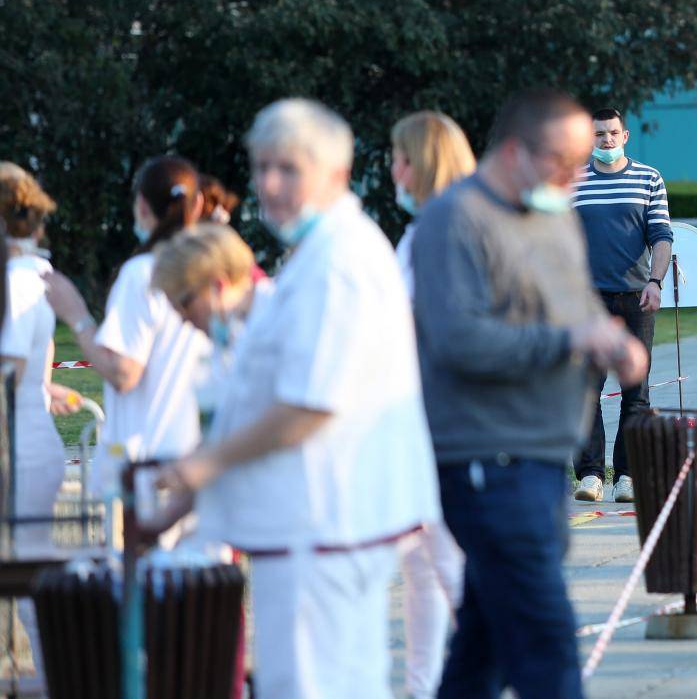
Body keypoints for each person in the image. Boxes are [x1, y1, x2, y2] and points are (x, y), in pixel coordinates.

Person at [154, 99, 439, 698]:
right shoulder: (317, 255)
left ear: (337, 172)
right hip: (314, 526)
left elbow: (312, 406)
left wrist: (204, 466)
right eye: (260, 168)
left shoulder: (340, 260)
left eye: (288, 168)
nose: (269, 184)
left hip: (326, 523)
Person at [410, 89, 647, 698]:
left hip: (542, 457)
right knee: (546, 637)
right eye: (565, 162)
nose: (577, 175)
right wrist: (569, 338)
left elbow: (578, 308)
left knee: (481, 645)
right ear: (515, 151)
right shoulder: (453, 220)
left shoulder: (554, 216)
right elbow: (459, 339)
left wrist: (614, 344)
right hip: (487, 458)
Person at [46, 157, 211, 514]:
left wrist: (76, 316)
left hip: (144, 468)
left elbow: (124, 372)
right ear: (197, 205)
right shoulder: (211, 270)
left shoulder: (141, 274)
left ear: (141, 206)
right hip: (194, 462)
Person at [390, 110, 475, 699]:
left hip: (440, 422)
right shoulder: (429, 230)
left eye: (400, 157)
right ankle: (424, 687)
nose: (393, 170)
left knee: (446, 564)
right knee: (422, 567)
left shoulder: (442, 231)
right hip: (423, 418)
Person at [0, 164, 82, 675]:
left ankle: (65, 677)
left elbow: (12, 370)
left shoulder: (18, 279)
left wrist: (34, 383)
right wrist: (45, 385)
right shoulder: (30, 273)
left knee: (31, 582)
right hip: (26, 440)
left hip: (22, 450)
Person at [570, 107, 673, 505]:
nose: (606, 141)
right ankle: (591, 474)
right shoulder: (573, 182)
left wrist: (656, 281)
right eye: (599, 135)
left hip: (636, 297)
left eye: (613, 133)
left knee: (636, 391)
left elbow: (661, 235)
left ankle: (627, 475)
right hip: (588, 301)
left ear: (625, 135)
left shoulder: (648, 178)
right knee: (585, 389)